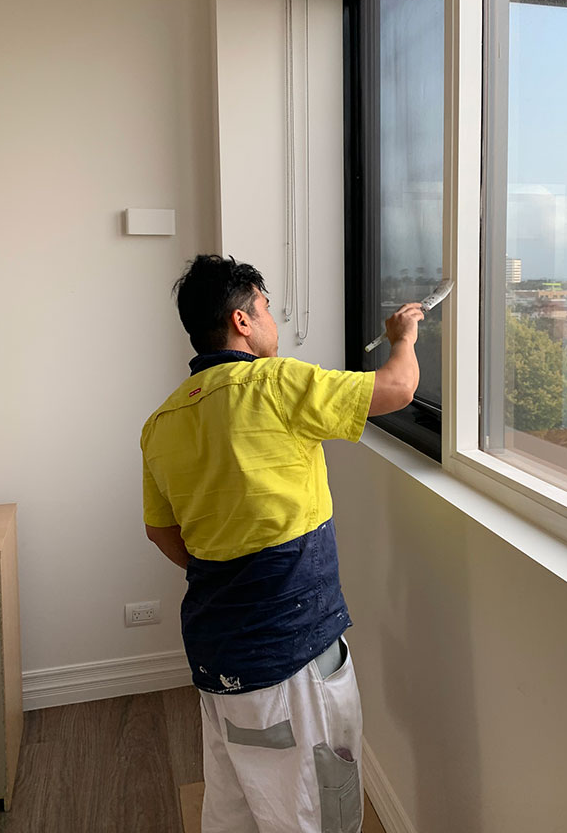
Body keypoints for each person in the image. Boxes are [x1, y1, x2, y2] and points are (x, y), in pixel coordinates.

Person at [141, 254, 423, 833]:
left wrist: (229, 568)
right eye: (267, 309)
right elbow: (398, 388)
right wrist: (404, 336)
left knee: (235, 803)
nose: (274, 322)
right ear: (242, 320)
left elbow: (161, 531)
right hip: (292, 658)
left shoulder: (162, 421)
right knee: (317, 809)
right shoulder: (274, 383)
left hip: (216, 653)